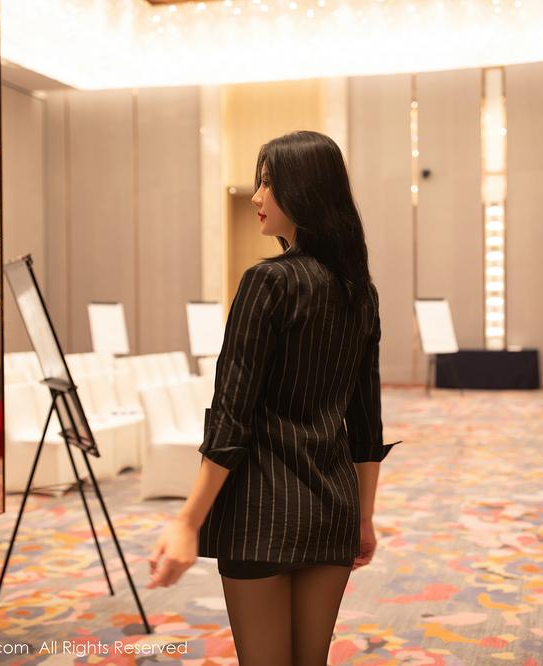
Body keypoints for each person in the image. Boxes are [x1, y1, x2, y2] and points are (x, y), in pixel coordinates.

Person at [146, 130, 401, 665]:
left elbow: (231, 415)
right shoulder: (360, 292)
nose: (257, 197)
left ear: (304, 192)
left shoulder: (268, 282)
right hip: (333, 505)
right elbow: (366, 421)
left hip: (260, 509)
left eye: (268, 183)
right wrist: (363, 517)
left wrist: (187, 521)